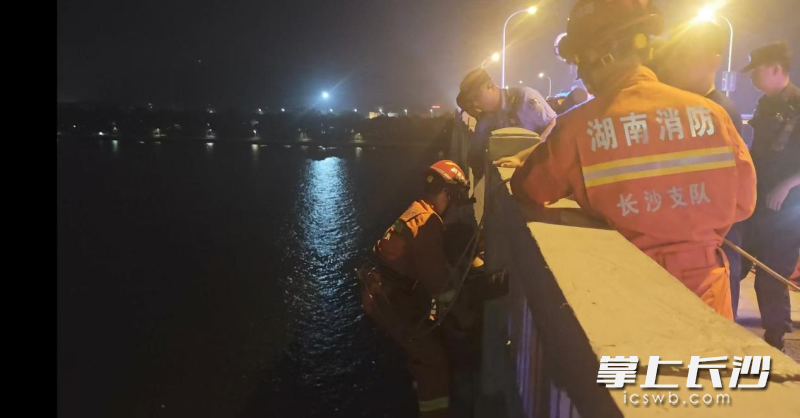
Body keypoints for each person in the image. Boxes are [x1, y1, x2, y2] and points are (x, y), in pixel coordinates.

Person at [509, 0, 756, 319]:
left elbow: (528, 188)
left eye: (578, 62)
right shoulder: (711, 114)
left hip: (625, 301)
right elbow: (744, 203)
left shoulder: (578, 127)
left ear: (596, 57)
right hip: (707, 302)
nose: (581, 74)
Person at [653, 20, 749, 318]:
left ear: (713, 61)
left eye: (687, 58)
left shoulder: (719, 112)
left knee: (719, 307)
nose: (677, 68)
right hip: (691, 234)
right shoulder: (685, 106)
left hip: (718, 235)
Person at [359, 160, 470, 417]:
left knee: (420, 343)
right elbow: (436, 281)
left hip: (383, 291)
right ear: (449, 193)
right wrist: (461, 315)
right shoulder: (429, 222)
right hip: (389, 297)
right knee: (432, 359)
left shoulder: (417, 211)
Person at [740, 40, 800, 350]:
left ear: (776, 69)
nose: (751, 78)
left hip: (788, 208)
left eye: (756, 72)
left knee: (771, 274)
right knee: (733, 261)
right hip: (757, 200)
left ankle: (776, 342)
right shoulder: (765, 105)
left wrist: (788, 184)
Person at [456, 69, 556, 181]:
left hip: (538, 169)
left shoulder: (525, 98)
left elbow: (553, 124)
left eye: (476, 97)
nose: (475, 104)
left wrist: (535, 150)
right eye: (471, 100)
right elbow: (475, 156)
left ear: (491, 86)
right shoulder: (486, 119)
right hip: (509, 177)